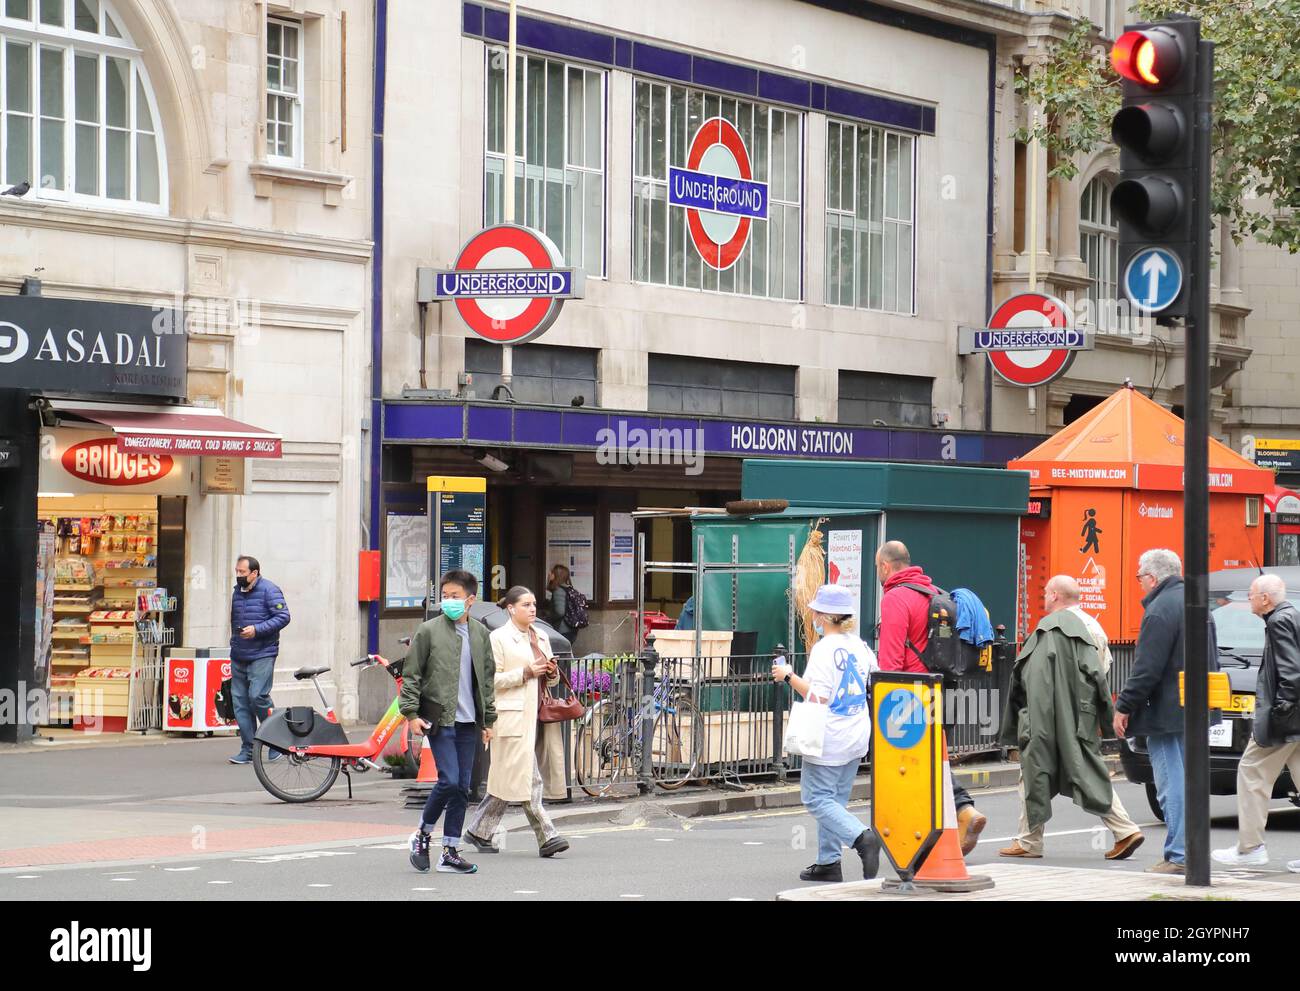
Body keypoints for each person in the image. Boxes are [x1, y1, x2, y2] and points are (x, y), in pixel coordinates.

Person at [998, 575, 1144, 860]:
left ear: (1054, 595)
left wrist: (1022, 717)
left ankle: (1123, 829)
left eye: (1045, 592)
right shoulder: (1095, 628)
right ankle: (1030, 840)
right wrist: (1102, 717)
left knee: (1036, 771)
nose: (1043, 597)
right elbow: (1101, 674)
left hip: (1049, 715)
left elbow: (1032, 677)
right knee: (1085, 770)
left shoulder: (1049, 629)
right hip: (1082, 716)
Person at [873, 540, 987, 854]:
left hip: (912, 692)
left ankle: (962, 811)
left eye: (877, 569)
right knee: (934, 759)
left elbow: (892, 659)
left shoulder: (896, 597)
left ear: (885, 566)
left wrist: (886, 701)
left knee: (919, 765)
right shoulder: (934, 592)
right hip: (944, 686)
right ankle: (942, 831)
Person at [771, 584, 881, 883]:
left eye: (817, 612)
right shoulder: (860, 646)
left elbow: (818, 696)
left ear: (825, 616)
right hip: (856, 733)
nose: (814, 617)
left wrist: (788, 675)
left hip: (828, 735)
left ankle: (862, 838)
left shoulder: (823, 650)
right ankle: (828, 862)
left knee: (816, 798)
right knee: (835, 801)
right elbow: (875, 681)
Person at [401, 570, 497, 875]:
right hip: (439, 720)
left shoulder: (481, 634)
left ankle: (450, 851)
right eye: (444, 596)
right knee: (449, 780)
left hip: (470, 723)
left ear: (470, 600)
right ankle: (423, 833)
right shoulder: (428, 631)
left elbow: (487, 680)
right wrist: (412, 714)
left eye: (454, 597)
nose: (448, 602)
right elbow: (412, 675)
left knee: (462, 789)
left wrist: (488, 720)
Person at [1114, 548, 1202, 875]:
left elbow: (1147, 669)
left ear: (1152, 578)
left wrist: (1124, 706)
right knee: (1189, 779)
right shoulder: (1198, 605)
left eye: (1139, 577)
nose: (1139, 584)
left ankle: (1178, 855)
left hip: (1165, 713)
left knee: (1171, 783)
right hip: (1193, 707)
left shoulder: (1159, 610)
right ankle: (1192, 850)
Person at [463, 586, 570, 858]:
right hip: (510, 717)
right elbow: (491, 680)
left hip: (536, 716)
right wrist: (524, 673)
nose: (532, 609)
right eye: (525, 604)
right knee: (527, 778)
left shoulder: (542, 636)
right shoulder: (498, 638)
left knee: (505, 780)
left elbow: (551, 680)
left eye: (534, 604)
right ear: (511, 608)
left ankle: (479, 830)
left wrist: (552, 672)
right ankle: (548, 836)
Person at [1212, 574, 1300, 868]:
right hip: (1296, 718)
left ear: (1265, 599)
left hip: (1285, 719)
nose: (1248, 598)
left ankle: (1250, 848)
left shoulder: (1279, 622)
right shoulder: (1291, 616)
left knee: (1251, 772)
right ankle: (1250, 847)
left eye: (1251, 594)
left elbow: (1291, 670)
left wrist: (1280, 710)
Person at [228, 556, 290, 765]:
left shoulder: (270, 590)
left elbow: (283, 617)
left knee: (258, 696)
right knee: (240, 703)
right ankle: (248, 749)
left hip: (262, 652)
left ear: (254, 573)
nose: (238, 576)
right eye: (237, 571)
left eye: (242, 572)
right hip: (239, 653)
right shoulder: (237, 591)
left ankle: (276, 741)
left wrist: (256, 630)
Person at [546, 563, 579, 649]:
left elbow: (560, 612)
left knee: (560, 656)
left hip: (562, 630)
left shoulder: (558, 591)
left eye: (551, 572)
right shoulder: (569, 589)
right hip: (571, 629)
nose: (549, 574)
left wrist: (548, 618)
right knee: (564, 655)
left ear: (556, 575)